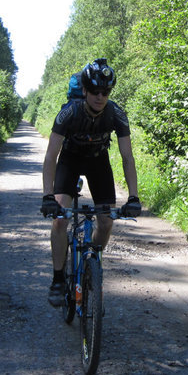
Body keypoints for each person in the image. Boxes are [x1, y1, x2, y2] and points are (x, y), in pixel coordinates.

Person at [41, 58, 141, 307]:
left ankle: (91, 265)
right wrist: (47, 196)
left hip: (98, 161)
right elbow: (51, 156)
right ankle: (57, 279)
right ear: (84, 90)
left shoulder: (116, 113)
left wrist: (134, 197)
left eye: (105, 92)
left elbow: (127, 157)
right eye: (95, 91)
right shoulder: (69, 113)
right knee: (60, 219)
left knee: (106, 222)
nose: (100, 96)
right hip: (70, 159)